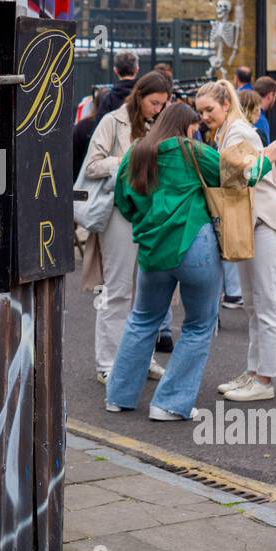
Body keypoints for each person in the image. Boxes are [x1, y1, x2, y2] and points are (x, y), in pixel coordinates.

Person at [104, 103, 276, 421]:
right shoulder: (191, 150)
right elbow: (243, 176)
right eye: (194, 129)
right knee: (199, 325)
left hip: (152, 249)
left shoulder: (136, 152)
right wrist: (267, 159)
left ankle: (118, 396)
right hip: (193, 245)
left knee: (142, 320)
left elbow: (122, 201)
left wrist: (146, 223)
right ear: (186, 128)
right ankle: (169, 404)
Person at [196, 79, 276, 403]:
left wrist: (268, 158)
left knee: (265, 304)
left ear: (226, 104)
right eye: (201, 111)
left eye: (209, 109)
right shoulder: (228, 131)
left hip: (265, 222)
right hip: (255, 223)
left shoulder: (239, 132)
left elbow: (243, 176)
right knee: (253, 304)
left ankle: (264, 380)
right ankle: (254, 372)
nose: (204, 116)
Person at [80, 71, 173, 385]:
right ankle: (107, 363)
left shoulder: (159, 125)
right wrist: (128, 160)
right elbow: (92, 165)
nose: (158, 109)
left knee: (146, 294)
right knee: (117, 291)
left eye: (163, 104)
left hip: (150, 214)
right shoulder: (112, 122)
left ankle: (141, 358)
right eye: (154, 102)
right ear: (140, 96)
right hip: (119, 212)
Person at [94, 51, 139, 123]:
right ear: (137, 69)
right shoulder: (144, 95)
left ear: (115, 70)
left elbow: (100, 127)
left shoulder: (108, 98)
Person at [252, 76, 276, 145]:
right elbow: (265, 152)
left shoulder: (246, 112)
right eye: (275, 96)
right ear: (270, 96)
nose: (275, 100)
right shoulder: (261, 120)